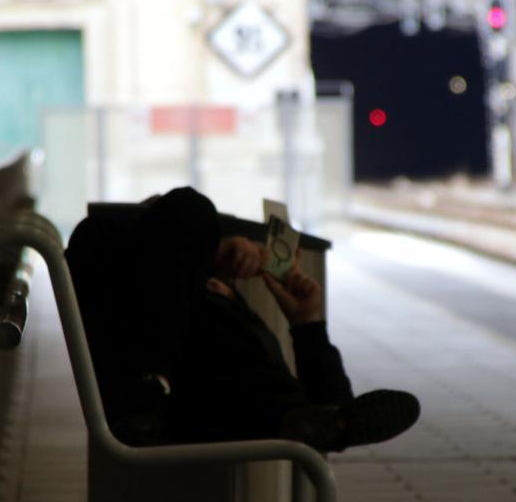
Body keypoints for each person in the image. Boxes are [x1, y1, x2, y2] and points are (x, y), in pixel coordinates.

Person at [66, 187, 419, 452]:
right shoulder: (136, 288)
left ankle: (296, 420)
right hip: (172, 405)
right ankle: (291, 420)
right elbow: (166, 225)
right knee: (190, 205)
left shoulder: (221, 304)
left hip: (248, 414)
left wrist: (307, 324)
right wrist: (214, 253)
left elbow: (338, 410)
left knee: (317, 416)